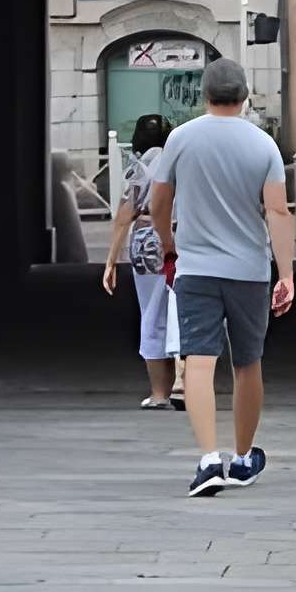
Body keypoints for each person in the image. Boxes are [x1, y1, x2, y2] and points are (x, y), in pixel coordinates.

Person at [146, 57, 296, 498]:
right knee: (247, 363)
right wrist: (284, 274)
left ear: (204, 95)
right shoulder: (263, 144)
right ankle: (244, 457)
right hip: (249, 271)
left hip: (196, 269)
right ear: (245, 96)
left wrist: (167, 242)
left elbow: (159, 203)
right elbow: (278, 211)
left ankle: (209, 458)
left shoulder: (181, 139)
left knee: (198, 360)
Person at [98, 113, 180, 409]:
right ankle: (185, 382)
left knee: (153, 312)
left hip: (148, 240)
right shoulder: (181, 162)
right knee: (183, 308)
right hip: (183, 237)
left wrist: (111, 261)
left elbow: (124, 216)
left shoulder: (140, 167)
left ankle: (160, 393)